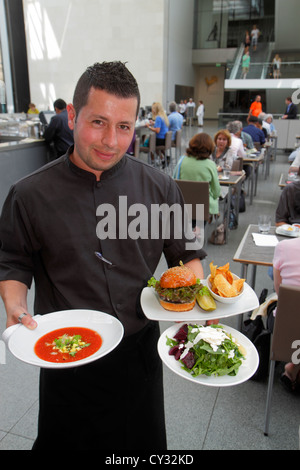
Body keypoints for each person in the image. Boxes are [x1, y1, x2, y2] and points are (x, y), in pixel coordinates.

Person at [0, 61, 207, 450]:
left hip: (138, 354)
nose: (111, 140)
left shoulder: (160, 189)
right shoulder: (29, 195)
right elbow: (13, 260)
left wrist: (194, 312)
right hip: (66, 355)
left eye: (124, 127)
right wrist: (14, 304)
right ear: (73, 115)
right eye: (98, 122)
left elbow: (188, 256)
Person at [272, 238, 300, 392]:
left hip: (284, 331)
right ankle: (293, 367)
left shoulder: (284, 247)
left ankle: (291, 364)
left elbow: (279, 290)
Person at [173, 132, 220, 218]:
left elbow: (174, 180)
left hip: (183, 206)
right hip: (204, 208)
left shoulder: (181, 160)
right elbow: (216, 192)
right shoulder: (210, 164)